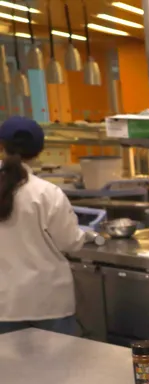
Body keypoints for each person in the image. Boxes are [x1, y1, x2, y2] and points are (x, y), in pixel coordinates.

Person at [0, 117, 89, 336]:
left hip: (4, 304)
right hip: (47, 302)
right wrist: (88, 235)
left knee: (8, 360)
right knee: (58, 359)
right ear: (39, 152)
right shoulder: (47, 193)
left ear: (1, 146)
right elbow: (70, 242)